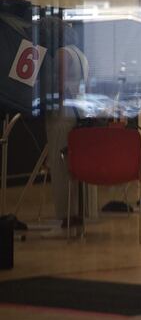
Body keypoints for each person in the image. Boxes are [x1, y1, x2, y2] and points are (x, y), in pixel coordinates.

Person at [45, 43, 89, 227]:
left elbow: (59, 87)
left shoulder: (63, 53)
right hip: (77, 112)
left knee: (59, 166)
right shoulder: (82, 56)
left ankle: (65, 217)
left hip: (61, 116)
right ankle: (77, 214)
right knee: (74, 167)